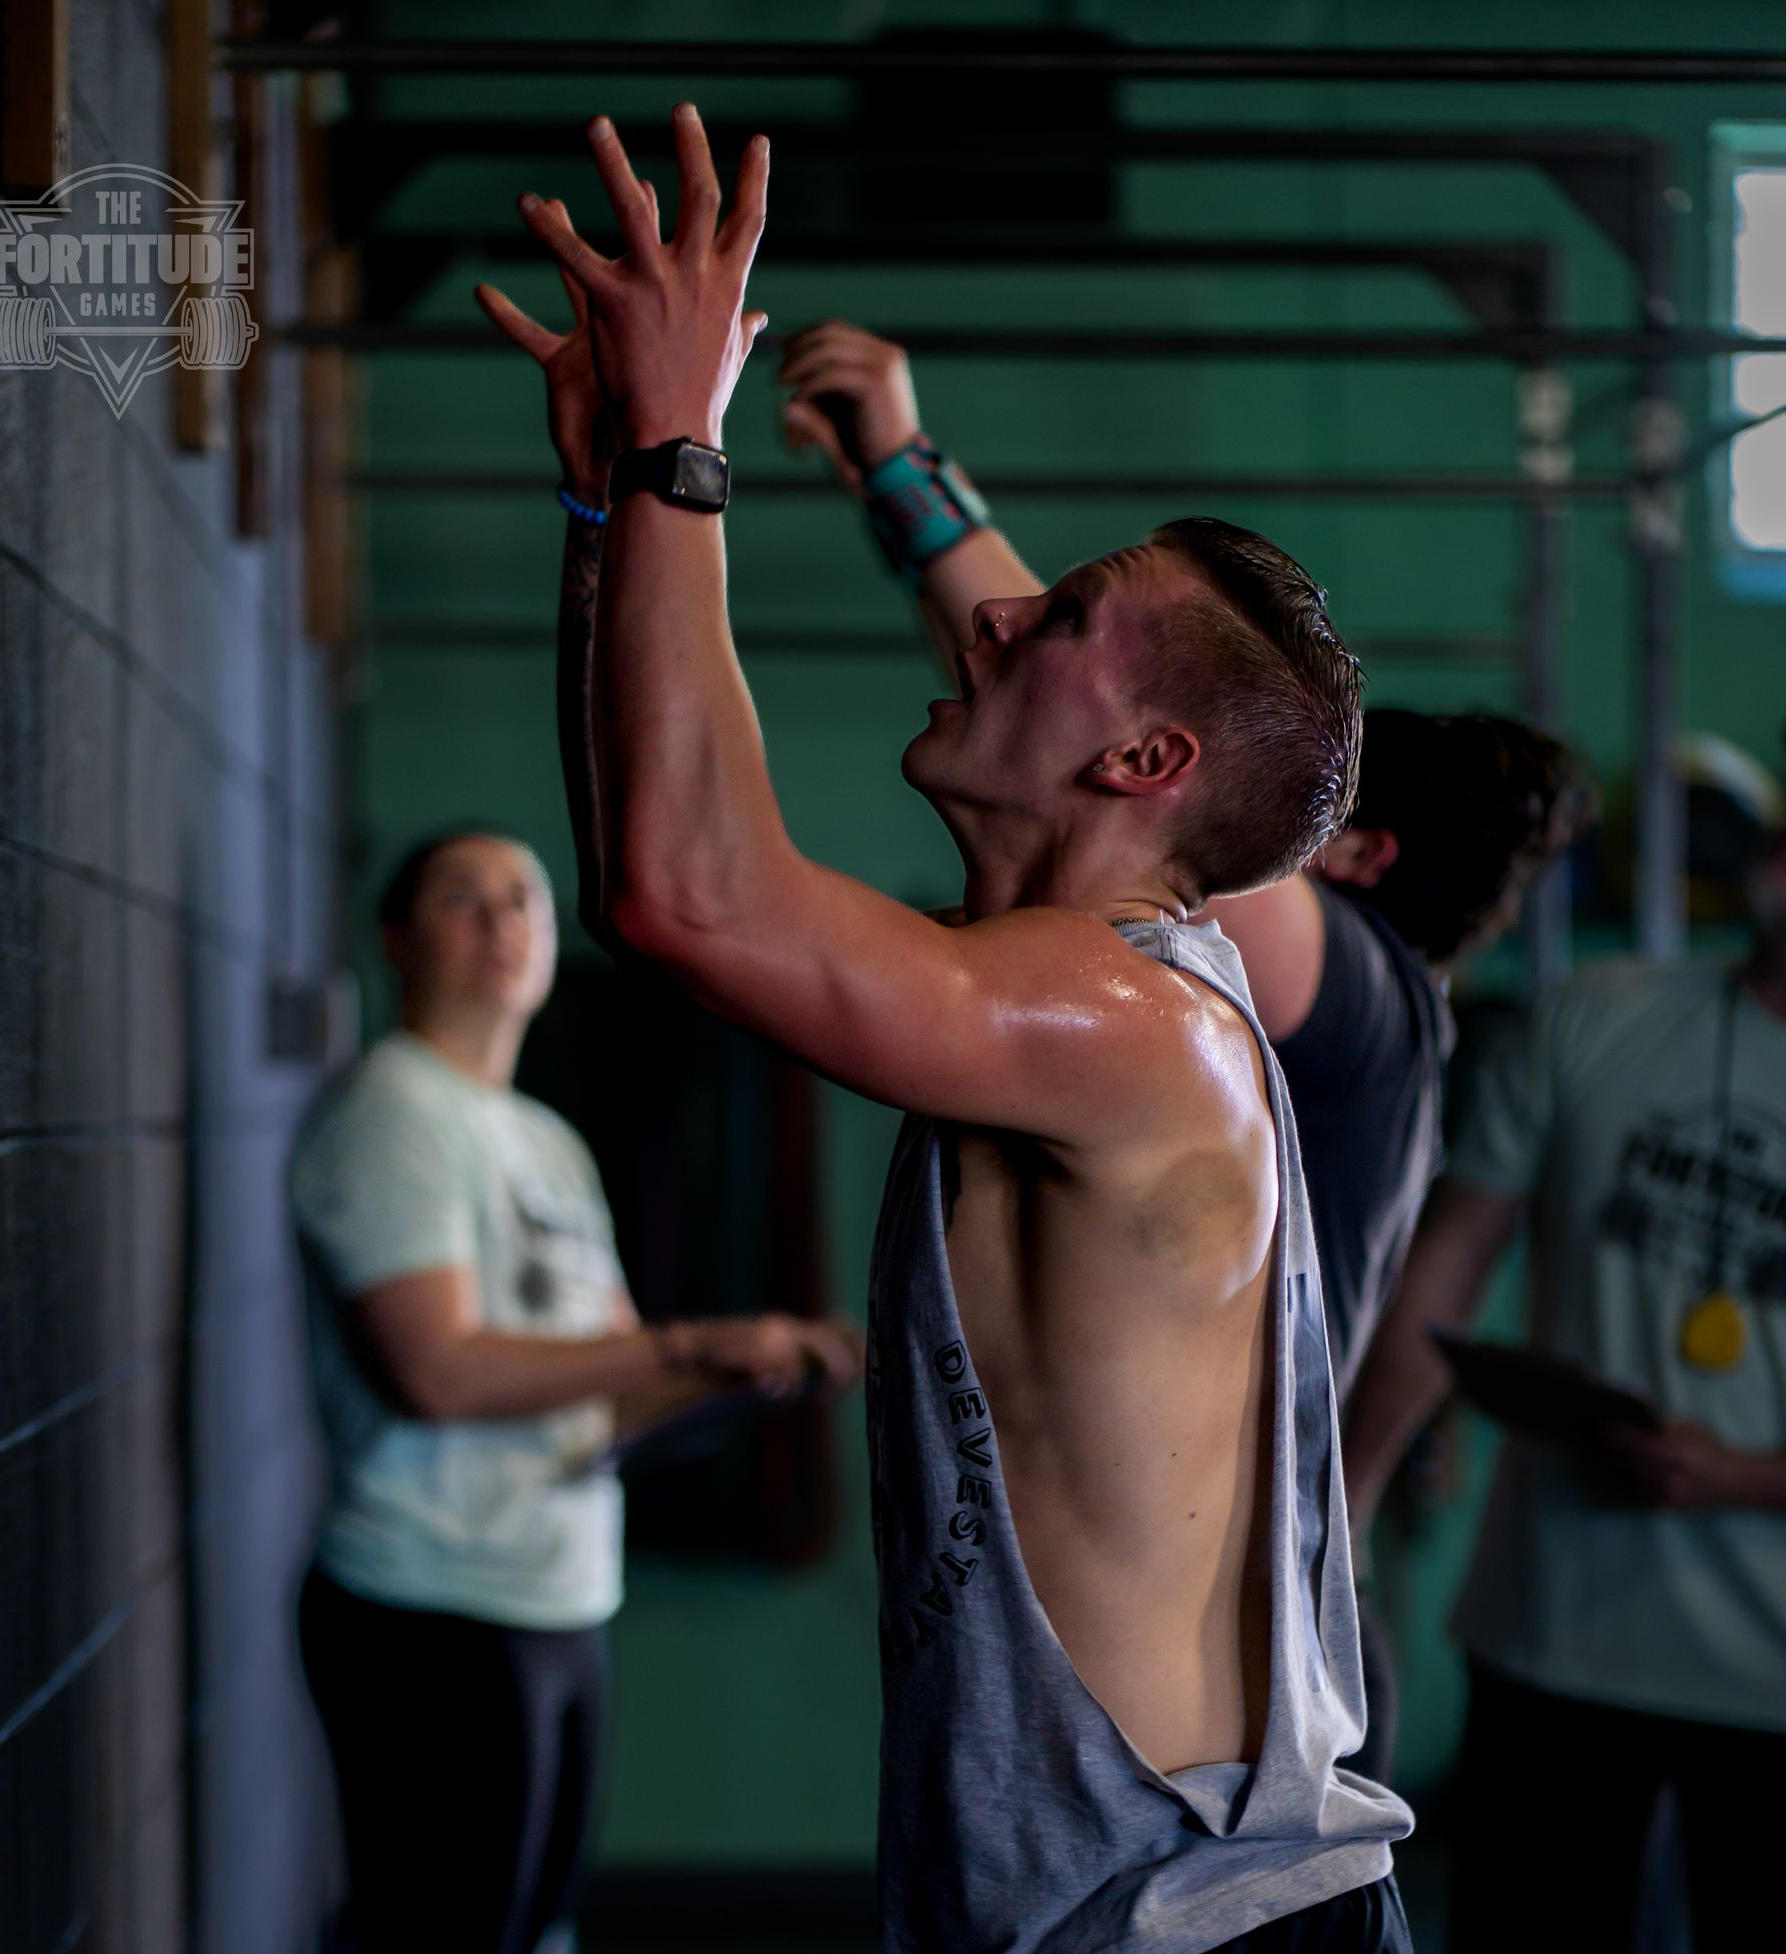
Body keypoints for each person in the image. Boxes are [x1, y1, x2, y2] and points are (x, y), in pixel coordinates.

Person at [480, 104, 1412, 1953]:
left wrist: (683, 449)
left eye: (1053, 617)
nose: (986, 628)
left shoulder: (1138, 1021)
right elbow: (653, 890)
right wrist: (607, 505)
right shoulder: (1068, 996)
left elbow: (694, 893)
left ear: (1146, 764)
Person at [776, 323, 1596, 1778]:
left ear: (1353, 854)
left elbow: (1112, 724)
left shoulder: (1362, 1003)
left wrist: (907, 468)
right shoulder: (1344, 1046)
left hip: (1235, 1750)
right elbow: (1072, 722)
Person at [291, 828, 860, 1954]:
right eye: (464, 897)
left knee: (533, 1933)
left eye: (524, 899)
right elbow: (440, 1373)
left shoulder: (544, 1141)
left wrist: (744, 1372)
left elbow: (599, 1405)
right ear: (398, 940)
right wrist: (693, 1335)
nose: (502, 920)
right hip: (430, 1607)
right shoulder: (395, 1110)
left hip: (557, 1602)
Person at [1339, 819, 1786, 1954]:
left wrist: (1739, 1475)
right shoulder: (1594, 1016)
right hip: (1557, 1639)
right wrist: (1332, 1526)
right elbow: (1439, 1284)